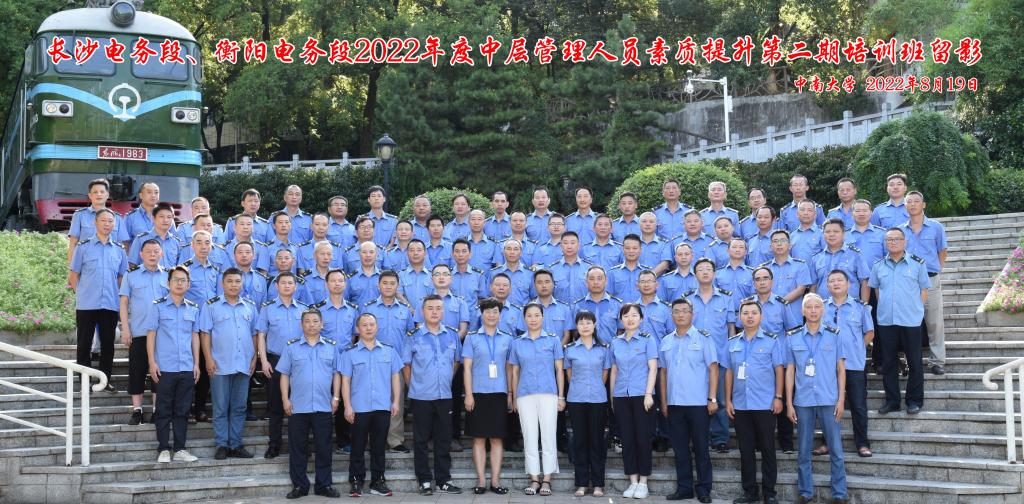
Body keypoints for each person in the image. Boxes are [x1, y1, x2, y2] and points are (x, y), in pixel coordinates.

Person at [785, 294, 848, 504]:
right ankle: (805, 492)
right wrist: (789, 403)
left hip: (829, 399)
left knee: (836, 449)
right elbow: (790, 372)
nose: (813, 311)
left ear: (823, 310)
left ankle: (839, 493)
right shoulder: (792, 337)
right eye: (809, 307)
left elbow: (841, 370)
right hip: (803, 401)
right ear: (802, 311)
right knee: (803, 450)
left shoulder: (834, 335)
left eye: (817, 307)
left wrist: (841, 399)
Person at [402, 295, 464, 495]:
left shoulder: (452, 335)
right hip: (421, 396)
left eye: (438, 308)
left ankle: (443, 479)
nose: (435, 312)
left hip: (444, 395)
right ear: (423, 311)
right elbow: (406, 365)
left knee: (443, 439)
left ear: (443, 311)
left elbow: (456, 362)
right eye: (430, 308)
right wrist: (414, 386)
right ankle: (425, 480)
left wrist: (445, 380)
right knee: (420, 440)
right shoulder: (413, 335)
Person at [724, 299, 784, 504]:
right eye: (745, 313)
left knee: (768, 449)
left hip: (765, 404)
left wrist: (778, 397)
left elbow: (779, 370)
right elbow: (729, 372)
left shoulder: (771, 340)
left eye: (754, 313)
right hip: (740, 404)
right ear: (739, 317)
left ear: (761, 316)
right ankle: (750, 492)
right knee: (746, 450)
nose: (749, 316)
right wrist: (728, 400)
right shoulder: (732, 343)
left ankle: (769, 493)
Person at [278, 308, 342, 499]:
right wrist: (285, 399)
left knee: (324, 447)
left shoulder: (331, 346)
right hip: (298, 406)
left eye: (315, 321)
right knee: (298, 448)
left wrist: (336, 397)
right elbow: (284, 374)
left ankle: (324, 485)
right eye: (307, 321)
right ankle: (299, 486)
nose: (311, 325)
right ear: (301, 324)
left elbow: (336, 374)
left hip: (323, 405)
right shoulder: (291, 347)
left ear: (322, 324)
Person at [659, 298, 718, 503]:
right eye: (676, 311)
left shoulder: (703, 338)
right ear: (672, 315)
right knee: (680, 450)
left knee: (701, 448)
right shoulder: (666, 341)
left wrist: (712, 398)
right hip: (675, 404)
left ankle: (704, 489)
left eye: (684, 311)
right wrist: (664, 402)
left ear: (692, 314)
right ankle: (684, 488)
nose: (680, 314)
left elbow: (713, 369)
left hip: (699, 403)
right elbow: (663, 373)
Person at [339, 313, 402, 497]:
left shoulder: (389, 351)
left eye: (371, 324)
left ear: (377, 327)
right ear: (358, 329)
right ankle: (356, 481)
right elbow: (345, 381)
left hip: (382, 406)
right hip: (359, 407)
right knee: (357, 446)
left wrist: (396, 401)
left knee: (379, 446)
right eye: (364, 325)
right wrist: (347, 406)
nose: (368, 328)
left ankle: (378, 481)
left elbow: (395, 377)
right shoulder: (349, 353)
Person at [199, 268, 259, 460]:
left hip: (243, 364)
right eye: (230, 281)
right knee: (221, 407)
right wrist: (208, 359)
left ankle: (236, 444)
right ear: (222, 283)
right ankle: (222, 444)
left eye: (237, 281)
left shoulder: (250, 306)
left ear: (242, 284)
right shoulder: (211, 306)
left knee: (239, 407)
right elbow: (205, 334)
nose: (234, 285)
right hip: (220, 364)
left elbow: (255, 334)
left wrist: (254, 358)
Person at [870, 228, 930, 415]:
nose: (893, 242)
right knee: (888, 363)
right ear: (885, 243)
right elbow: (877, 291)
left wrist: (915, 310)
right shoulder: (878, 266)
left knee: (914, 362)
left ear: (905, 242)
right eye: (889, 240)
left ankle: (914, 401)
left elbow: (924, 290)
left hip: (911, 320)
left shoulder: (918, 264)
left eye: (897, 239)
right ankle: (892, 401)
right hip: (887, 321)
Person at [144, 266, 200, 463]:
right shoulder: (157, 306)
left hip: (186, 366)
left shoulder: (193, 308)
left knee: (182, 410)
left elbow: (195, 336)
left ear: (188, 284)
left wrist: (197, 363)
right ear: (168, 283)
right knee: (163, 410)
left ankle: (180, 449)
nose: (179, 283)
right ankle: (163, 449)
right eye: (176, 279)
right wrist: (152, 362)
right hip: (164, 367)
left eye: (183, 280)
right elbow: (151, 335)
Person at [508, 303, 565, 496]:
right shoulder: (517, 343)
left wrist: (561, 396)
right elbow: (515, 371)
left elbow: (559, 370)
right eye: (529, 315)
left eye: (536, 315)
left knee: (548, 436)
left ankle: (547, 479)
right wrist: (514, 396)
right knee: (529, 436)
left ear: (543, 317)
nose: (533, 319)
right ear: (524, 318)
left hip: (549, 394)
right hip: (525, 395)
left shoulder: (553, 340)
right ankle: (534, 479)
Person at [70, 208, 127, 392]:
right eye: (103, 220)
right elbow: (73, 275)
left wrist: (120, 298)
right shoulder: (83, 247)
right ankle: (84, 381)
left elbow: (121, 277)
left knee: (108, 345)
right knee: (84, 344)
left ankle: (105, 380)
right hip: (87, 304)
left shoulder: (119, 250)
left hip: (110, 304)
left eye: (110, 221)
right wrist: (81, 294)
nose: (107, 224)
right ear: (95, 223)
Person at [462, 298, 515, 495]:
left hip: (499, 393)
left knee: (497, 439)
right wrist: (468, 394)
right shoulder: (472, 338)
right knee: (478, 438)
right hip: (478, 393)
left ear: (500, 315)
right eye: (487, 312)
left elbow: (509, 369)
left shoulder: (508, 338)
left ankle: (495, 480)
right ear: (481, 314)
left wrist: (510, 393)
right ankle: (481, 480)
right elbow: (467, 368)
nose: (491, 315)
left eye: (495, 312)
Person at [820, 270, 874, 458]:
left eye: (840, 280)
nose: (836, 283)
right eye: (832, 281)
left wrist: (857, 348)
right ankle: (827, 442)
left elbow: (869, 333)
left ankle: (862, 443)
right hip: (829, 366)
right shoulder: (821, 307)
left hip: (854, 364)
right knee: (828, 405)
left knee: (858, 405)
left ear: (849, 284)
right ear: (827, 286)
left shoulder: (860, 307)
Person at [361, 270, 415, 453]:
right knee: (370, 402)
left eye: (392, 283)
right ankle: (373, 439)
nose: (388, 286)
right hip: (371, 362)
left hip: (396, 364)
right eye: (385, 283)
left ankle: (395, 440)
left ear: (397, 286)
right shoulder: (369, 308)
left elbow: (409, 337)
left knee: (396, 402)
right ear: (378, 285)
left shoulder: (404, 310)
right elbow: (361, 335)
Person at [256, 272, 309, 459]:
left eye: (290, 283)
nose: (287, 286)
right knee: (276, 406)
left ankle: (300, 447)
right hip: (276, 360)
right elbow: (261, 335)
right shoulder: (268, 308)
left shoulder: (304, 309)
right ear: (276, 286)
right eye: (283, 283)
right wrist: (263, 361)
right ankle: (274, 445)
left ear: (295, 286)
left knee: (300, 406)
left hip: (299, 362)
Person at [609, 303, 659, 499]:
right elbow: (614, 370)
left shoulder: (648, 340)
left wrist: (648, 393)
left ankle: (643, 482)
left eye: (634, 315)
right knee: (627, 439)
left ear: (641, 318)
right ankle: (633, 481)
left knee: (642, 439)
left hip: (642, 396)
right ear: (621, 319)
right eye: (626, 316)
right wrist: (612, 397)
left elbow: (653, 368)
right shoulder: (615, 342)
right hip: (621, 395)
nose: (630, 319)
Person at [686, 258, 736, 453]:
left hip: (720, 355)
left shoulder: (726, 298)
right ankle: (698, 438)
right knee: (697, 400)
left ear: (714, 274)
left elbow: (731, 327)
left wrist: (731, 351)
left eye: (709, 269)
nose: (705, 272)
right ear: (695, 274)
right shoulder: (688, 299)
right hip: (695, 358)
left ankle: (720, 438)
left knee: (720, 400)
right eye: (701, 269)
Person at [899, 191, 948, 375]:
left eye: (916, 201)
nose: (912, 204)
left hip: (930, 280)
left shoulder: (936, 227)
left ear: (923, 204)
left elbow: (942, 251)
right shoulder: (900, 230)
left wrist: (936, 270)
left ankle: (937, 361)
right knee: (908, 323)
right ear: (905, 206)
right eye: (909, 201)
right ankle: (910, 362)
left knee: (934, 322)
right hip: (907, 281)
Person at [119, 239, 168, 424]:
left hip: (162, 334)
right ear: (141, 254)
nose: (152, 255)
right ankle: (137, 410)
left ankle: (157, 410)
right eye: (148, 251)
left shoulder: (169, 275)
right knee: (137, 370)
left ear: (161, 253)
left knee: (159, 372)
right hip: (139, 331)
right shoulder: (131, 275)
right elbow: (123, 303)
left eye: (156, 251)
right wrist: (125, 329)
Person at [564, 310, 611, 497]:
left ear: (594, 325)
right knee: (580, 442)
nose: (585, 326)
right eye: (581, 323)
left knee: (597, 441)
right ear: (576, 326)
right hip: (576, 399)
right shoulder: (570, 349)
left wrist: (595, 387)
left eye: (588, 322)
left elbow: (605, 374)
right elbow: (569, 375)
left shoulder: (603, 349)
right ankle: (582, 483)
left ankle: (598, 484)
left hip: (597, 399)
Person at [68, 178, 129, 262]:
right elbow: (73, 243)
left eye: (102, 192)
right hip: (86, 263)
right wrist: (72, 266)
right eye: (95, 192)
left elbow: (123, 245)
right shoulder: (80, 215)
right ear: (90, 195)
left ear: (107, 195)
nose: (99, 194)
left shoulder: (117, 218)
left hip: (111, 264)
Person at [811, 220, 870, 302]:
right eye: (827, 232)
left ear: (843, 233)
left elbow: (865, 282)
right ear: (823, 234)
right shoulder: (816, 258)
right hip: (823, 306)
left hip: (851, 307)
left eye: (836, 231)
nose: (831, 234)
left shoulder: (856, 255)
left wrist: (864, 306)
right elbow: (813, 286)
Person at [573, 266, 623, 346]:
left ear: (606, 281)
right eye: (592, 279)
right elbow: (574, 332)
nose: (595, 282)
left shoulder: (617, 305)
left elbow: (621, 330)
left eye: (599, 279)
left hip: (610, 350)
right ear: (586, 282)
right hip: (586, 350)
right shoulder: (578, 305)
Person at [128, 203, 183, 269]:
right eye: (161, 216)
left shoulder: (176, 242)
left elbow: (179, 267)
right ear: (153, 218)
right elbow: (132, 265)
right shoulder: (141, 239)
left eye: (169, 217)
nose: (165, 220)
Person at [660, 210, 712, 274]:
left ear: (702, 223)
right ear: (684, 224)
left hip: (704, 277)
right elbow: (670, 265)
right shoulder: (675, 242)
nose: (692, 224)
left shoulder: (711, 241)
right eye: (689, 221)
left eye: (696, 221)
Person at [531, 269, 573, 344]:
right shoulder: (528, 309)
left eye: (547, 282)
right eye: (539, 282)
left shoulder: (564, 309)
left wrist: (557, 350)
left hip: (559, 350)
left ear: (553, 284)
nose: (544, 286)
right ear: (534, 286)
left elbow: (567, 336)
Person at [550, 231, 591, 305]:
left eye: (572, 243)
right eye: (565, 243)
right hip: (561, 311)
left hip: (584, 310)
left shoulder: (589, 268)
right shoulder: (552, 270)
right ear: (561, 246)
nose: (569, 246)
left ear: (578, 246)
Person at [608, 234, 647, 302]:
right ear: (622, 249)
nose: (631, 251)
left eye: (635, 248)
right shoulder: (612, 273)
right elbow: (609, 296)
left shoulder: (647, 272)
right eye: (627, 248)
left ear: (640, 250)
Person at [347, 241, 382, 306]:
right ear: (359, 254)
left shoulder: (383, 277)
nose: (368, 255)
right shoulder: (350, 279)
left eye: (371, 252)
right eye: (364, 252)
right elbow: (346, 301)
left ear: (377, 254)